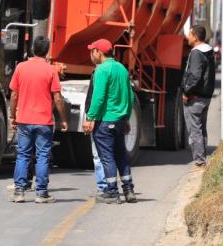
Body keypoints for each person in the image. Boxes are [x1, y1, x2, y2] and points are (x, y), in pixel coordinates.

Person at [9, 36, 68, 203]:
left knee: (23, 155)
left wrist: (13, 115)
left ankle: (19, 191)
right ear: (47, 51)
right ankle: (41, 193)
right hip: (44, 121)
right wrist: (63, 119)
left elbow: (14, 95)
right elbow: (57, 98)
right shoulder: (50, 70)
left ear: (33, 48)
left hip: (24, 120)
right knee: (42, 156)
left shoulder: (21, 67)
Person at [82, 39, 137, 204]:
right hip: (120, 120)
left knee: (107, 157)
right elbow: (131, 96)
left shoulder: (101, 70)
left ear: (98, 52)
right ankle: (128, 190)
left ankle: (112, 192)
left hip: (105, 121)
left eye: (92, 51)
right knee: (121, 155)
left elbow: (98, 98)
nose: (91, 55)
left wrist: (90, 117)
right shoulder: (122, 69)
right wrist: (126, 117)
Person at [182, 24, 216, 168]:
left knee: (195, 129)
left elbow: (194, 76)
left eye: (189, 34)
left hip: (195, 98)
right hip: (206, 96)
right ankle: (203, 158)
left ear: (195, 37)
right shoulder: (209, 50)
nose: (187, 37)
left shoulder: (196, 53)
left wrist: (186, 92)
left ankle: (200, 161)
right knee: (202, 128)